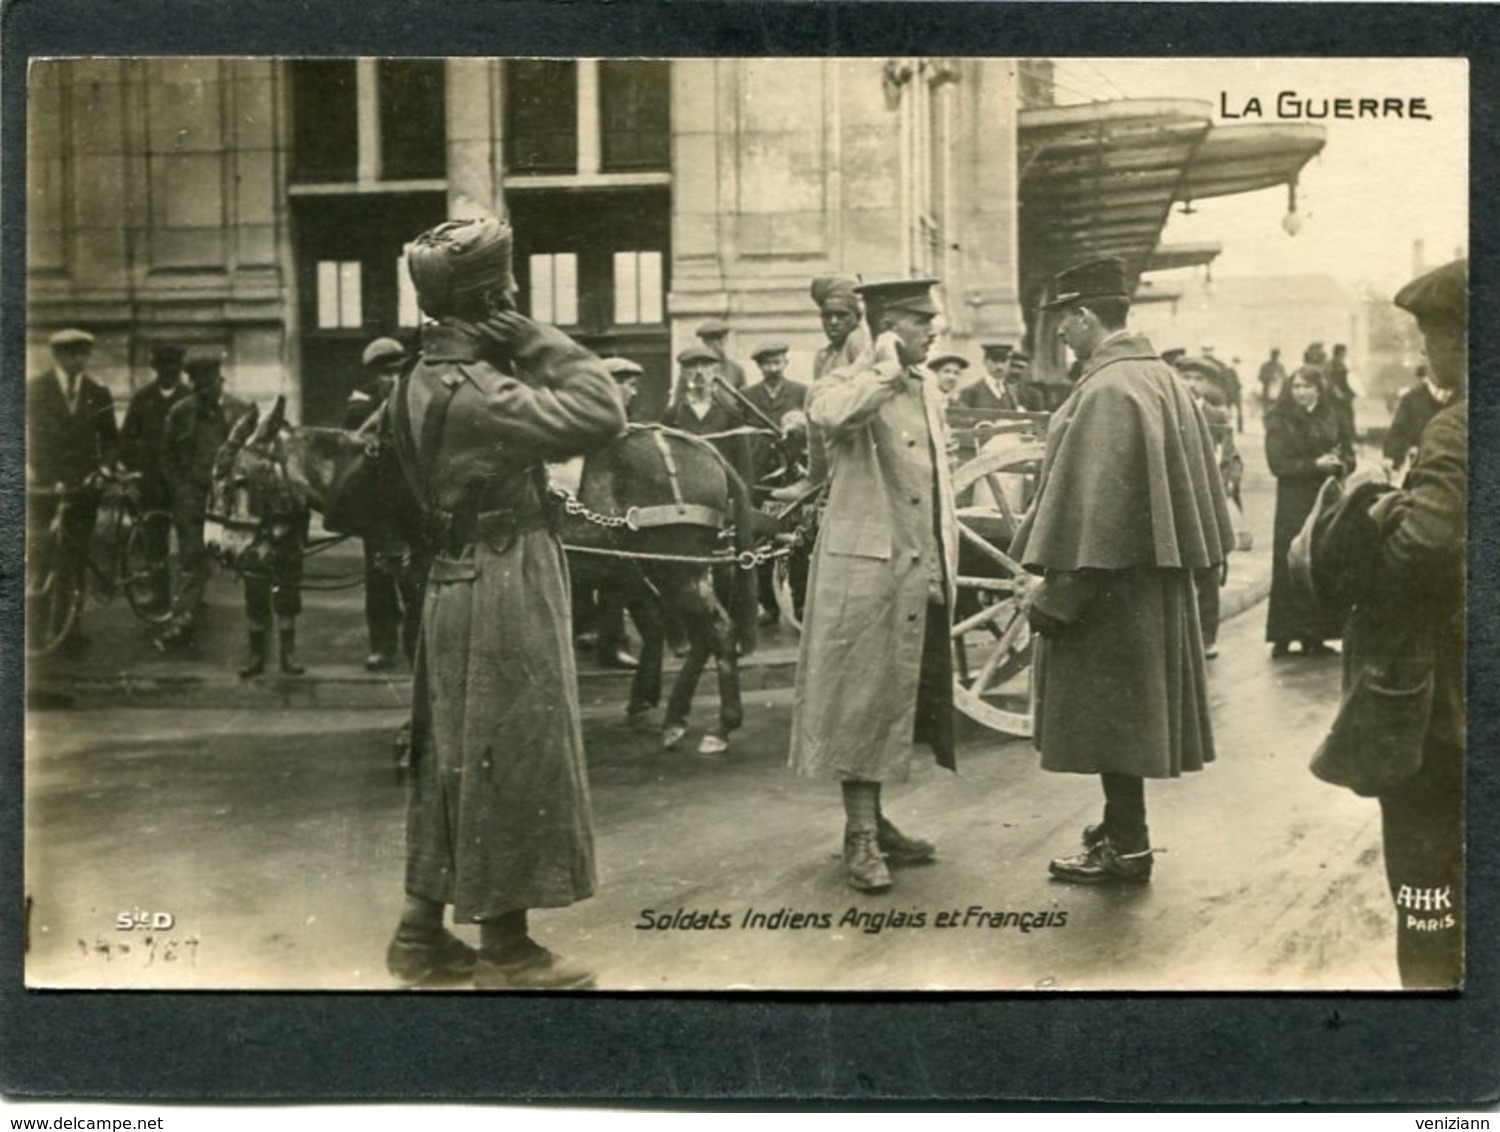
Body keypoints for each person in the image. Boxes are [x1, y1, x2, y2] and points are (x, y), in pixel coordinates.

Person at [385, 215, 625, 990]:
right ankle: (507, 949)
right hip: (504, 578)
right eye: (510, 286)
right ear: (496, 295)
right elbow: (601, 412)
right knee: (511, 752)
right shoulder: (484, 390)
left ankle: (420, 939)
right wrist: (534, 339)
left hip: (451, 579)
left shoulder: (416, 378)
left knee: (452, 756)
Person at [1009, 257, 1233, 886]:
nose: (1059, 334)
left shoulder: (1109, 390)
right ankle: (1120, 829)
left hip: (1108, 587)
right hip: (1147, 584)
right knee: (1129, 715)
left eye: (1063, 321)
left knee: (1113, 719)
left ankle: (1127, 847)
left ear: (1084, 316)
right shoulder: (1158, 378)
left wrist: (1058, 594)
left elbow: (1098, 513)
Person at [789, 277, 958, 894]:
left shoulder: (927, 384)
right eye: (921, 320)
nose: (933, 328)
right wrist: (882, 366)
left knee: (893, 695)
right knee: (860, 700)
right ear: (889, 326)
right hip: (863, 568)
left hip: (915, 563)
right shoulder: (850, 378)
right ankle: (858, 836)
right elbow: (830, 415)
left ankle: (876, 822)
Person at [1364, 258, 1466, 988]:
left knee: (1428, 882)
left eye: (1431, 336)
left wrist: (1383, 519)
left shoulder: (1456, 429)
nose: (1426, 353)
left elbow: (1424, 548)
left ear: (1459, 338)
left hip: (1451, 700)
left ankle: (1431, 1013)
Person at [27, 328, 119, 648]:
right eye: (69, 353)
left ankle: (69, 631)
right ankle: (34, 632)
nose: (76, 360)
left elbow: (110, 440)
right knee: (39, 559)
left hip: (82, 489)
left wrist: (104, 469)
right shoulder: (34, 390)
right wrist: (24, 467)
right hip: (42, 489)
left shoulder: (98, 392)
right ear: (56, 356)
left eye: (81, 353)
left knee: (75, 560)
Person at [1264, 365, 1355, 658]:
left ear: (1319, 388)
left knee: (1321, 559)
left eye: (1306, 386)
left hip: (1325, 498)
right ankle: (1284, 634)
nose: (1301, 392)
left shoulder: (1334, 416)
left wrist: (1341, 464)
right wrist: (1313, 465)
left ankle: (1316, 635)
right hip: (1293, 500)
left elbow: (1349, 454)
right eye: (1296, 387)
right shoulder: (1279, 420)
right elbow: (1277, 464)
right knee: (1290, 559)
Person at [344, 336, 420, 671]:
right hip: (377, 508)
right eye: (383, 373)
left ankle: (416, 646)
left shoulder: (414, 403)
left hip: (411, 506)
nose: (390, 379)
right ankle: (382, 645)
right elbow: (354, 444)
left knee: (413, 582)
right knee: (378, 582)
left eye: (396, 371)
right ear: (372, 376)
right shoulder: (359, 408)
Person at [1175, 359, 1241, 660]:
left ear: (1208, 384)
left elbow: (1232, 458)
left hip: (1209, 503)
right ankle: (1180, 636)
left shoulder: (1217, 417)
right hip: (1178, 501)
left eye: (1197, 378)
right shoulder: (1169, 413)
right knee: (1177, 570)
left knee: (1210, 570)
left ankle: (1206, 637)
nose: (1190, 383)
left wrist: (1228, 481)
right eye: (1185, 376)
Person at [119, 342, 190, 610]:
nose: (169, 371)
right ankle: (160, 595)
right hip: (152, 484)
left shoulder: (191, 397)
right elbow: (126, 439)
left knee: (189, 543)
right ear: (156, 368)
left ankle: (191, 599)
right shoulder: (143, 398)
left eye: (174, 366)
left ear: (180, 368)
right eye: (163, 366)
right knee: (155, 543)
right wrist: (138, 468)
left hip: (183, 485)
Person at [743, 343, 810, 627]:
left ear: (786, 361)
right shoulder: (748, 397)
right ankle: (767, 605)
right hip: (761, 480)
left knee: (798, 544)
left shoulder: (801, 392)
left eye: (777, 362)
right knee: (762, 544)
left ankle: (801, 605)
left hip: (795, 480)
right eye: (767, 363)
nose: (773, 368)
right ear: (759, 367)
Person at [662, 344, 754, 485]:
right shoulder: (673, 414)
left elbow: (744, 464)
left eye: (706, 366)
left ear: (715, 371)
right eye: (692, 366)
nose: (699, 372)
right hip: (687, 489)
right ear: (683, 372)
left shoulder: (730, 411)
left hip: (722, 489)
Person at [1382, 364, 1451, 482]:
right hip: (1421, 463)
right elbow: (1399, 429)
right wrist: (1392, 456)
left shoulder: (1459, 398)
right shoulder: (1412, 398)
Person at [955, 342, 1042, 411]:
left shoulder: (1014, 392)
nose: (999, 366)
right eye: (994, 361)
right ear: (985, 361)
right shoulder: (970, 393)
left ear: (1009, 362)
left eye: (1003, 361)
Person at [695, 318, 747, 392]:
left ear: (726, 340)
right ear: (704, 342)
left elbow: (743, 399)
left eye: (720, 339)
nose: (716, 345)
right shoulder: (693, 368)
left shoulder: (736, 369)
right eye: (710, 341)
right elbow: (680, 400)